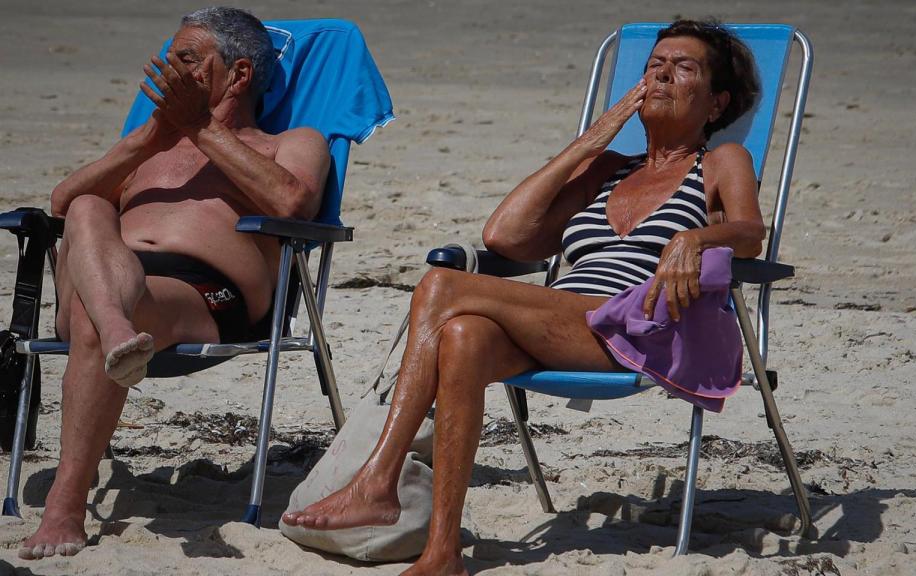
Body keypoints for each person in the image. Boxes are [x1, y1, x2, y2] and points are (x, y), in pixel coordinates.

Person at [282, 19, 762, 576]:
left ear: (715, 102)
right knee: (462, 337)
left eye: (684, 68)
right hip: (563, 324)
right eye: (655, 64)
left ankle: (377, 479)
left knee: (441, 285)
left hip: (639, 326)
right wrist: (591, 140)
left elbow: (751, 233)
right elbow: (504, 235)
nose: (661, 75)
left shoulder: (721, 161)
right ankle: (442, 553)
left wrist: (695, 236)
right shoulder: (606, 169)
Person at [19, 7, 330, 560]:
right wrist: (149, 140)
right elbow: (63, 203)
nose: (170, 72)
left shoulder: (290, 141)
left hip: (201, 293)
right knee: (90, 206)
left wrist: (200, 128)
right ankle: (118, 328)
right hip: (108, 281)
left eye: (186, 61)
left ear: (236, 75)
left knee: (96, 317)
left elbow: (291, 202)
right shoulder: (152, 140)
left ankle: (65, 507)